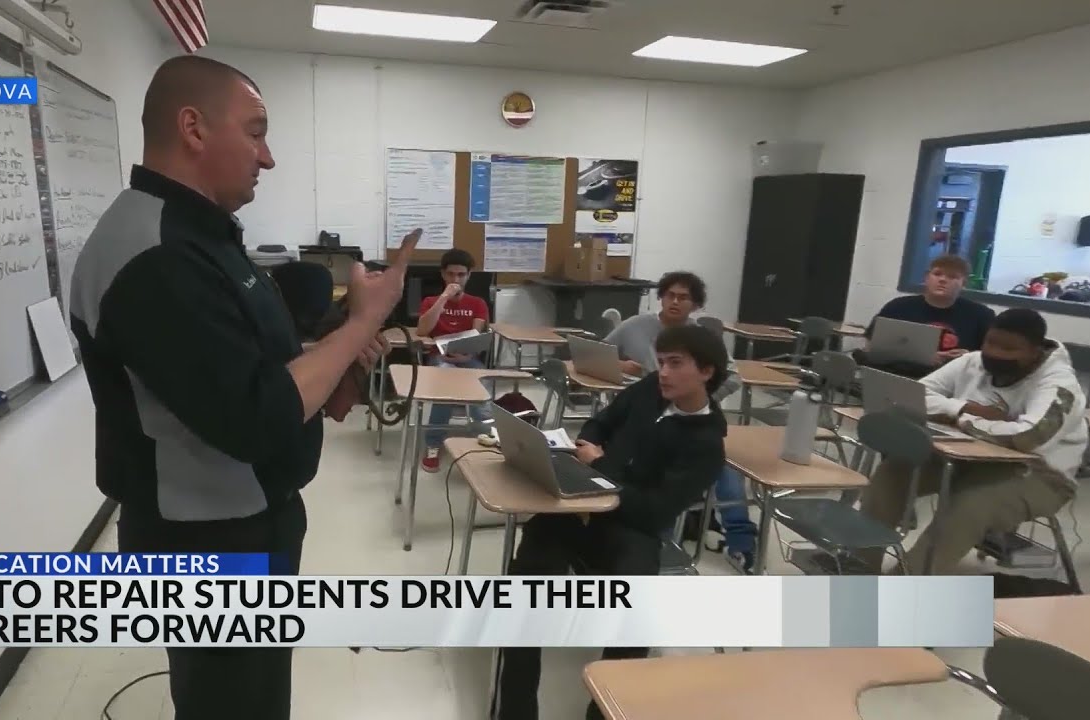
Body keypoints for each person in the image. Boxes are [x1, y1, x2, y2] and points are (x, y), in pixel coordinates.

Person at [67, 55, 419, 720]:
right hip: (206, 542)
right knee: (230, 706)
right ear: (193, 128)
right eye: (255, 132)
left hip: (250, 519)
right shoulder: (155, 255)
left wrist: (340, 358)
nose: (269, 157)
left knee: (254, 700)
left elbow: (259, 370)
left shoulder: (205, 237)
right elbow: (255, 416)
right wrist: (366, 319)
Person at [491, 324, 729, 720]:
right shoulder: (651, 387)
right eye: (662, 362)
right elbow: (601, 422)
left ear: (706, 372)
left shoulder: (706, 446)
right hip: (580, 504)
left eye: (676, 364)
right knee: (524, 590)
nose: (664, 372)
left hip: (629, 527)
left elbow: (653, 511)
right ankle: (515, 710)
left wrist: (599, 467)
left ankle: (603, 713)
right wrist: (584, 446)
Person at [856, 308, 1087, 575]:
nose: (996, 353)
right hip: (964, 456)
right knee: (893, 473)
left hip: (1039, 474)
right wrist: (963, 409)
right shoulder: (972, 362)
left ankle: (905, 583)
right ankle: (859, 566)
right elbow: (915, 395)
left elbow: (1026, 437)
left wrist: (965, 423)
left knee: (969, 506)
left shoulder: (1059, 384)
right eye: (991, 342)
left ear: (1035, 352)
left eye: (1009, 348)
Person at [603, 271, 757, 571]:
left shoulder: (701, 340)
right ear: (660, 296)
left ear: (695, 304)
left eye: (683, 297)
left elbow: (732, 376)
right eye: (669, 295)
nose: (674, 302)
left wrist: (698, 394)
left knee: (724, 469)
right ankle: (655, 532)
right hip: (641, 410)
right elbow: (602, 350)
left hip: (688, 416)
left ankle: (741, 542)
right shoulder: (636, 325)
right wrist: (621, 365)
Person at [855, 254, 996, 378]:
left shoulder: (981, 314)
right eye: (937, 274)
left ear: (963, 283)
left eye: (952, 276)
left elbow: (993, 356)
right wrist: (922, 358)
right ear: (927, 278)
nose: (943, 280)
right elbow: (871, 346)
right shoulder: (898, 307)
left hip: (953, 383)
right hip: (901, 376)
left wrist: (970, 358)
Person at [417, 248, 492, 472]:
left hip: (467, 359)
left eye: (461, 275)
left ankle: (484, 440)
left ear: (469, 276)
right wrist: (444, 298)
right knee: (445, 386)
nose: (455, 279)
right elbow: (422, 330)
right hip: (439, 358)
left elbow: (476, 334)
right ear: (443, 274)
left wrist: (468, 354)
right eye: (451, 274)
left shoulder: (477, 303)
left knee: (482, 388)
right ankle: (433, 444)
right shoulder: (431, 301)